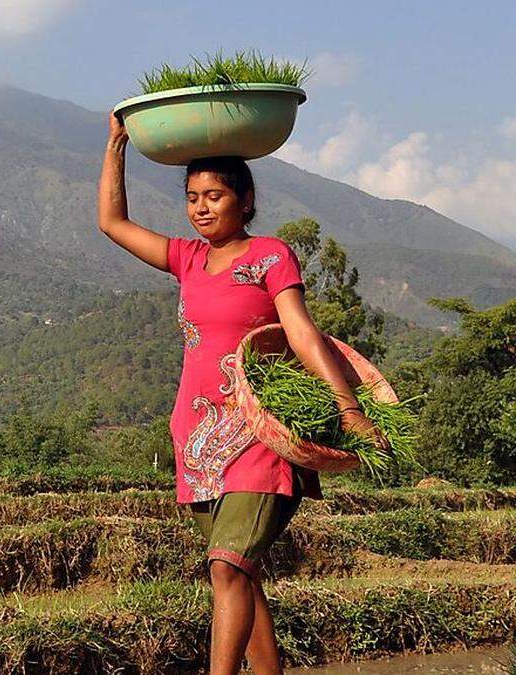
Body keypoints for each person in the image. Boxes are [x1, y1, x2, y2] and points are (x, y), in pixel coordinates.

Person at [97, 111, 388, 675]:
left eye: (215, 195)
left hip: (258, 432)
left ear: (245, 198)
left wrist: (348, 407)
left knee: (227, 568)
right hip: (197, 439)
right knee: (241, 576)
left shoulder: (270, 256)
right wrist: (116, 146)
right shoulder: (187, 259)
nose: (202, 207)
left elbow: (301, 333)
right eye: (193, 197)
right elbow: (112, 221)